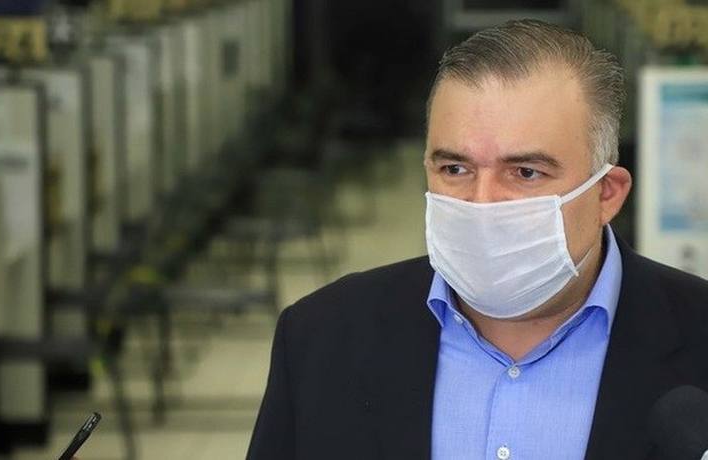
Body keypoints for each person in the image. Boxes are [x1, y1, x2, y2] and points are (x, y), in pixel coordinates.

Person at [246, 19, 708, 460]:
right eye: (455, 168)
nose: (482, 202)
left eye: (525, 172)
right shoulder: (321, 339)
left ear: (607, 194)